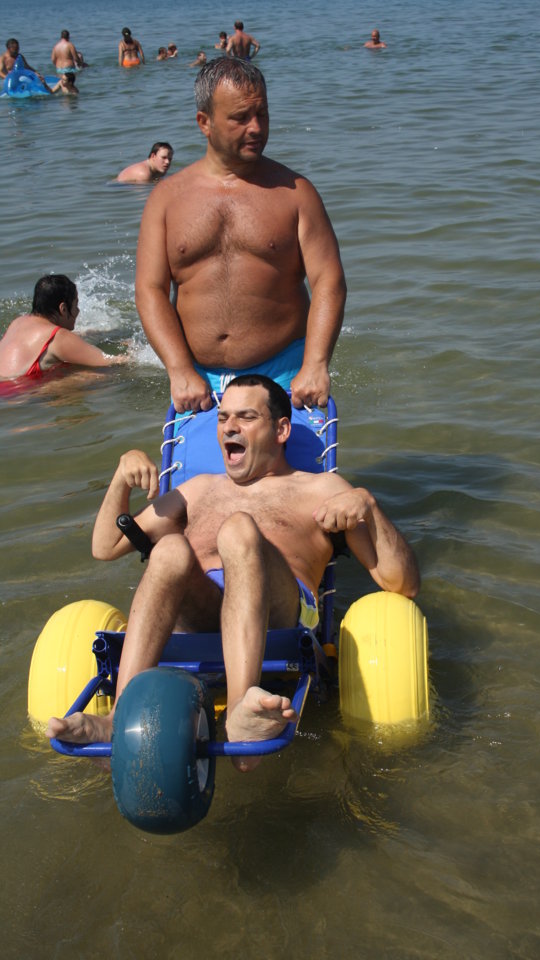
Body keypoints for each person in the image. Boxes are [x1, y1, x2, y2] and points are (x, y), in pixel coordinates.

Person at [45, 375, 420, 767]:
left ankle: (241, 708)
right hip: (201, 611)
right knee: (170, 548)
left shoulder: (323, 489)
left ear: (282, 430)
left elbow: (402, 583)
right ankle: (119, 717)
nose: (229, 427)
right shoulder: (199, 489)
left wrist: (368, 507)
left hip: (280, 612)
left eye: (246, 417)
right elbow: (105, 547)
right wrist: (121, 478)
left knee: (239, 530)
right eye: (223, 418)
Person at [135, 58, 346, 414]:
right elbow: (149, 289)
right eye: (240, 117)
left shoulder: (296, 193)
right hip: (196, 380)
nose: (256, 127)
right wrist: (179, 368)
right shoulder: (167, 199)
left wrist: (315, 363)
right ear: (204, 122)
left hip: (286, 374)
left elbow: (329, 280)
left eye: (262, 114)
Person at [0, 275, 125, 380]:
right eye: (76, 305)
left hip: (5, 390)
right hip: (17, 393)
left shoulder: (18, 322)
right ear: (63, 309)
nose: (78, 311)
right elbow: (113, 362)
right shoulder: (59, 337)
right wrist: (131, 351)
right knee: (91, 374)